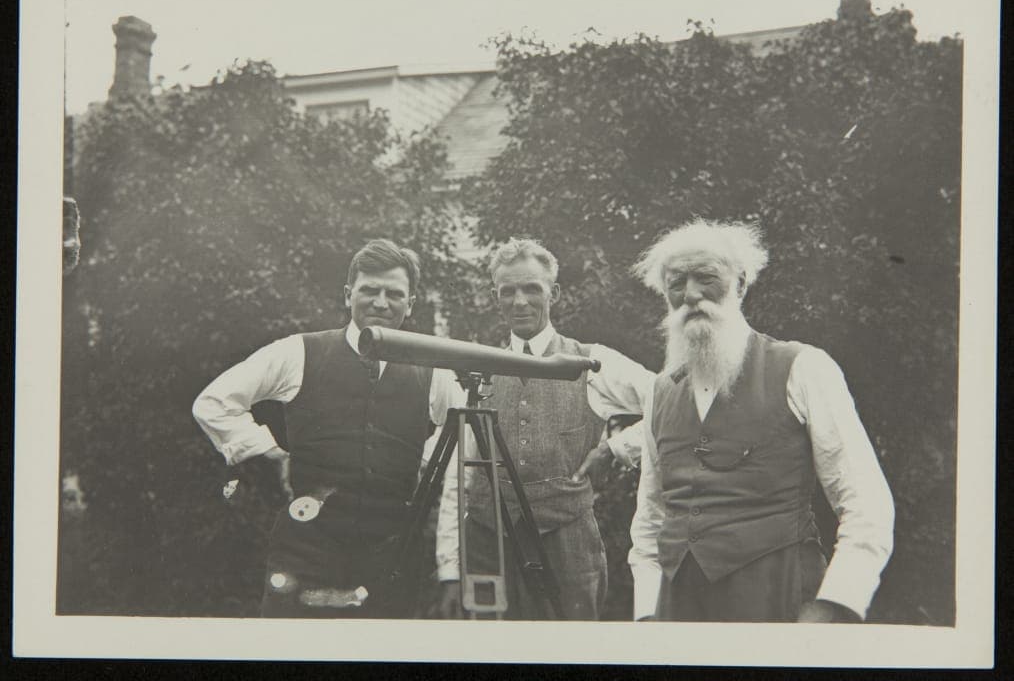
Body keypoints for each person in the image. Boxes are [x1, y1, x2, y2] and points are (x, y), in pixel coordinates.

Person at [628, 218, 894, 623]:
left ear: (741, 283)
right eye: (676, 282)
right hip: (677, 605)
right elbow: (651, 517)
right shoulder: (659, 391)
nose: (691, 294)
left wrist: (835, 604)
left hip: (780, 595)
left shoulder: (804, 367)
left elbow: (866, 501)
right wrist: (647, 613)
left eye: (706, 277)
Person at [193, 238, 462, 618]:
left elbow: (464, 434)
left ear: (411, 303)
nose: (381, 303)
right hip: (305, 553)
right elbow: (214, 402)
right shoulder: (299, 352)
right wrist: (269, 452)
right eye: (370, 290)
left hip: (391, 559)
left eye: (394, 294)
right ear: (348, 295)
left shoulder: (433, 370)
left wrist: (423, 463)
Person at [435, 237, 652, 620]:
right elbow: (458, 476)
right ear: (495, 296)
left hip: (567, 542)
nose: (520, 301)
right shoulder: (477, 369)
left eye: (532, 288)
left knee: (571, 653)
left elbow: (672, 403)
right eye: (508, 291)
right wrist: (450, 568)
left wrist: (615, 449)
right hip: (489, 544)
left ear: (554, 292)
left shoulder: (591, 362)